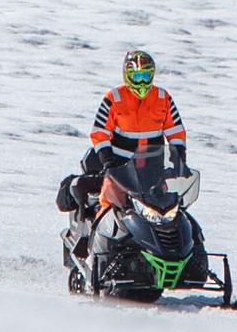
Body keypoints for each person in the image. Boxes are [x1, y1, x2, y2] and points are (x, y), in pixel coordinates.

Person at [62, 49, 187, 212]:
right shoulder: (114, 98)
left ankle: (190, 238)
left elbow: (176, 132)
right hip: (119, 170)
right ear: (127, 76)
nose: (142, 82)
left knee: (172, 210)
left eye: (146, 76)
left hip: (153, 169)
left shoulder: (163, 98)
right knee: (109, 206)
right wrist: (108, 162)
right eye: (137, 77)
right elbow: (100, 133)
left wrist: (179, 160)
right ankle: (95, 234)